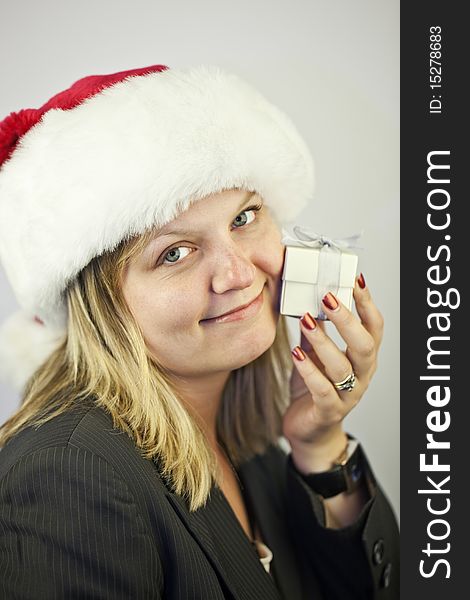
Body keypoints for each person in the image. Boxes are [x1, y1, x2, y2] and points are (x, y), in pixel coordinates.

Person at [0, 64, 399, 599]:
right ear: (102, 305)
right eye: (175, 253)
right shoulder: (69, 474)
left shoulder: (244, 440)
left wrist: (320, 445)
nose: (239, 274)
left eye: (244, 218)